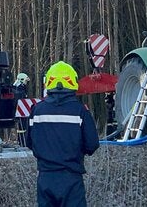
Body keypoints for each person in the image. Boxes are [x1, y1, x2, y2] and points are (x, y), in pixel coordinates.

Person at [28, 61, 100, 207]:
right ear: (72, 82)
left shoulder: (37, 111)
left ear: (49, 82)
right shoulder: (80, 111)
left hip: (45, 178)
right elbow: (92, 144)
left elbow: (30, 142)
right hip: (71, 178)